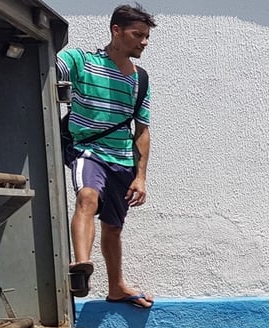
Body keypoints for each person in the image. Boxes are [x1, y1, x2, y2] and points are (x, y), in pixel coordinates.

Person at [58, 3, 155, 308]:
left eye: (146, 37)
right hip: (88, 151)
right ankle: (82, 266)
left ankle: (116, 288)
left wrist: (140, 177)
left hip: (122, 161)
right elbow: (45, 66)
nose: (143, 42)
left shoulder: (140, 79)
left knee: (113, 227)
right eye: (137, 34)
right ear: (116, 31)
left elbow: (142, 131)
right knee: (87, 197)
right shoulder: (81, 61)